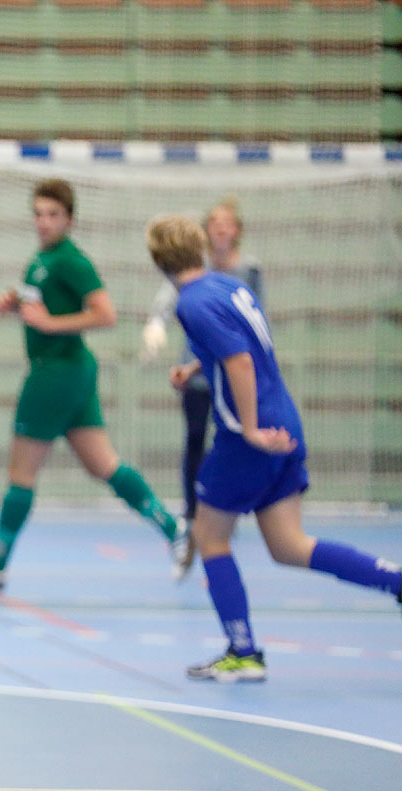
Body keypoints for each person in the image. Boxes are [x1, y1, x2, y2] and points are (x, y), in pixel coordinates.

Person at [144, 213, 402, 682]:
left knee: (209, 537)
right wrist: (195, 368)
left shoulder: (191, 303)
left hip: (253, 436)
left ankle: (243, 652)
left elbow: (240, 361)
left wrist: (249, 430)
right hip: (286, 420)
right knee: (289, 546)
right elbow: (238, 345)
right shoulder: (226, 285)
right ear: (199, 249)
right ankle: (395, 580)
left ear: (157, 261)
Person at [0, 178, 183, 591]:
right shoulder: (42, 260)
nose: (43, 222)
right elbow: (40, 305)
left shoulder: (71, 260)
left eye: (53, 214)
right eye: (38, 214)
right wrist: (17, 305)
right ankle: (174, 530)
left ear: (70, 219)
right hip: (73, 372)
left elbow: (105, 314)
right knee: (103, 464)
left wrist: (49, 324)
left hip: (54, 372)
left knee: (21, 472)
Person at [142, 197, 263, 580]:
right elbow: (168, 301)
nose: (221, 230)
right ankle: (197, 517)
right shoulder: (193, 287)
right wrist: (187, 357)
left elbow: (243, 354)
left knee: (286, 543)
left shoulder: (230, 281)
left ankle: (216, 516)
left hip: (235, 381)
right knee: (197, 441)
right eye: (215, 223)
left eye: (228, 223)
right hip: (201, 373)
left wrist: (252, 426)